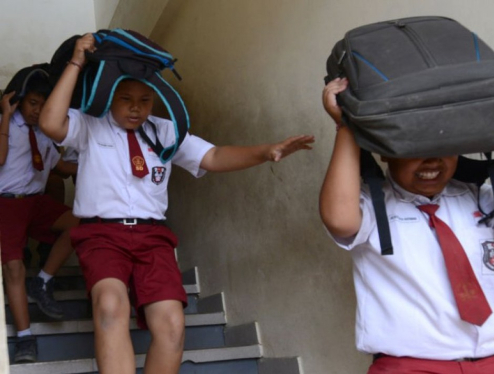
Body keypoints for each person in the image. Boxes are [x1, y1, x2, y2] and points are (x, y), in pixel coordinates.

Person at [39, 34, 315, 374]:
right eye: (125, 99)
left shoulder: (166, 132)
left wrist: (266, 152)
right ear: (110, 97)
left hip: (153, 237)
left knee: (171, 324)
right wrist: (77, 60)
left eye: (145, 99)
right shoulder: (90, 125)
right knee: (110, 306)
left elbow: (212, 156)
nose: (136, 107)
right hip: (102, 234)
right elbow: (51, 123)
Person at [319, 77, 494, 373]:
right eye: (414, 149)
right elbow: (340, 221)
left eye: (444, 146)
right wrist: (347, 127)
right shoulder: (371, 205)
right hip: (411, 367)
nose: (432, 161)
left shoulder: (481, 198)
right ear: (384, 151)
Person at [0, 72, 79, 363]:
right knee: (13, 267)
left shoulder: (45, 132)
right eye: (32, 103)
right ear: (17, 100)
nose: (37, 110)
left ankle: (43, 280)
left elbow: (59, 166)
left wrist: (94, 159)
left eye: (43, 105)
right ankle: (24, 338)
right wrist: (6, 116)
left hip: (35, 203)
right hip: (7, 204)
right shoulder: (3, 124)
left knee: (82, 225)